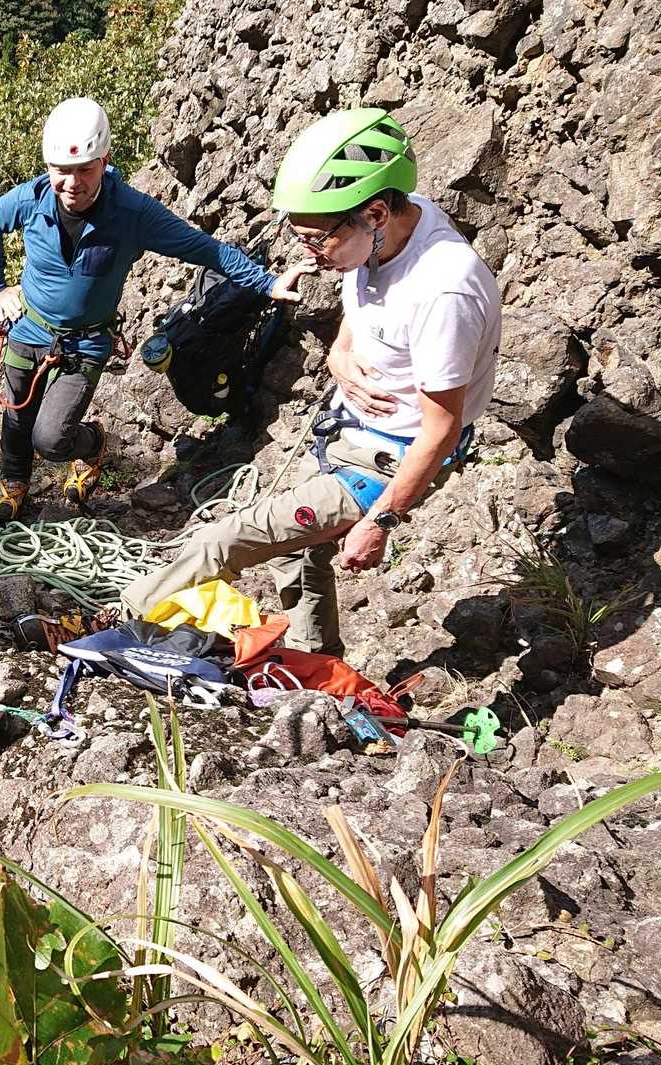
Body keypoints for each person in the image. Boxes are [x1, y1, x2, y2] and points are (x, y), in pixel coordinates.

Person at [119, 108, 502, 655]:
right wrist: (341, 355)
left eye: (316, 239)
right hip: (352, 428)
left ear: (374, 213)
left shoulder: (445, 290)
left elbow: (440, 430)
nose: (308, 253)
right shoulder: (393, 228)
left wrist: (382, 519)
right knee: (295, 549)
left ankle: (118, 623)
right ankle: (315, 661)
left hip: (385, 460)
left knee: (221, 541)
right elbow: (368, 305)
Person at [0, 96, 311, 522]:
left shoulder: (132, 213)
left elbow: (205, 249)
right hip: (28, 327)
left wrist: (266, 282)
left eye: (85, 169)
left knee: (51, 439)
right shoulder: (31, 199)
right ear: (48, 166)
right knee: (17, 413)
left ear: (105, 161)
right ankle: (14, 479)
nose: (73, 183)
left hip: (84, 344)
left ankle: (92, 444)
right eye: (62, 170)